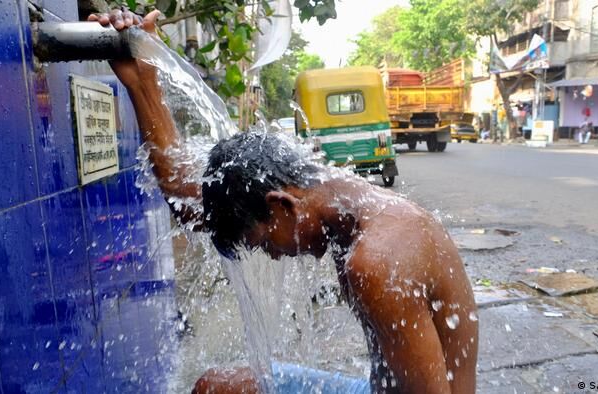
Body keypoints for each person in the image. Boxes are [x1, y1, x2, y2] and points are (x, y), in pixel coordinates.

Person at [91, 10, 478, 394]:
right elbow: (188, 201)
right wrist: (142, 81)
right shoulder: (327, 189)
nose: (273, 256)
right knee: (217, 387)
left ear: (283, 206)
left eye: (262, 241)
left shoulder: (375, 261)